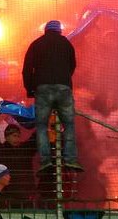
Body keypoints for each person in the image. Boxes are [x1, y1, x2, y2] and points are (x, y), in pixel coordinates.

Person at [22, 19, 82, 171]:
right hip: (63, 89)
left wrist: (30, 89)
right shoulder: (67, 44)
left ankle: (45, 161)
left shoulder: (36, 44)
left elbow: (27, 70)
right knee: (68, 124)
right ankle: (70, 160)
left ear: (46, 31)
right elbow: (72, 66)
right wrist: (64, 82)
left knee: (42, 125)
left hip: (43, 89)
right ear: (59, 31)